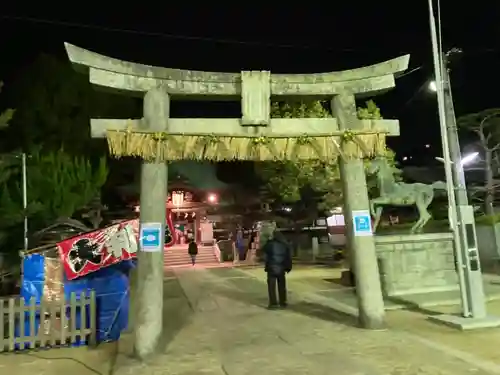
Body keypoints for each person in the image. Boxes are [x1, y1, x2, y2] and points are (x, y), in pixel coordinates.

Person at [262, 230, 292, 309]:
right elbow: (288, 257)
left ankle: (273, 303)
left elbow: (264, 252)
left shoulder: (270, 244)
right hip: (281, 268)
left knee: (271, 287)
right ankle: (283, 302)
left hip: (271, 268)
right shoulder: (285, 244)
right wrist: (288, 267)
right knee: (282, 285)